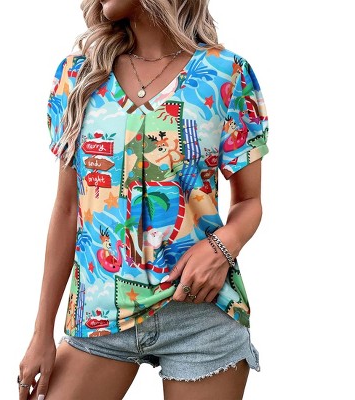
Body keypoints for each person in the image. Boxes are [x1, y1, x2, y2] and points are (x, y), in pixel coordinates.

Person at [18, 0, 269, 399]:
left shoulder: (226, 74)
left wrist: (222, 246)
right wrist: (41, 333)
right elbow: (67, 210)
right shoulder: (78, 76)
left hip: (199, 311)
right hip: (99, 316)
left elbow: (249, 201)